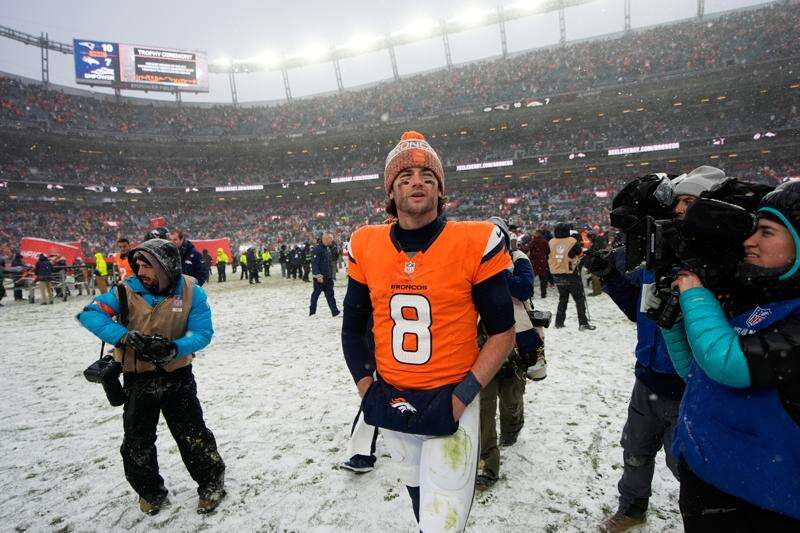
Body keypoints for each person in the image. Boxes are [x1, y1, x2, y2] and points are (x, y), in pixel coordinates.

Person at [341, 131, 515, 532]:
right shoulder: (366, 244)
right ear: (391, 192)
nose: (416, 182)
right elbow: (352, 331)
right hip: (392, 397)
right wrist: (368, 390)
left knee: (442, 523)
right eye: (405, 177)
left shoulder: (472, 241)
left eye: (427, 176)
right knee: (421, 502)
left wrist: (461, 397)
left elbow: (502, 332)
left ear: (440, 190)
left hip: (450, 397)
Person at [588, 166, 727, 532]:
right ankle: (632, 508)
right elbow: (640, 312)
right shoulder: (656, 254)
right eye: (678, 202)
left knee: (686, 465)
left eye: (689, 202)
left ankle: (703, 519)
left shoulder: (712, 264)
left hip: (689, 384)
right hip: (647, 378)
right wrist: (611, 276)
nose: (679, 211)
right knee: (635, 450)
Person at [661, 180, 800, 530]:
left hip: (765, 501)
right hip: (708, 478)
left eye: (766, 232)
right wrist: (671, 324)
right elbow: (696, 372)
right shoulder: (757, 295)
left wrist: (696, 297)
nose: (749, 242)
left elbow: (730, 365)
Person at [77, 238, 226, 515]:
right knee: (137, 443)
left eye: (147, 266)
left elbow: (202, 333)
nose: (141, 271)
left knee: (193, 437)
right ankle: (150, 492)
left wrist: (175, 348)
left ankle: (211, 484)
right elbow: (90, 314)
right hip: (137, 378)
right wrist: (124, 337)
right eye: (138, 265)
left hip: (177, 375)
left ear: (166, 266)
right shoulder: (125, 290)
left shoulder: (192, 291)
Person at [477, 218, 542, 490]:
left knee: (511, 398)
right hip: (482, 343)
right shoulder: (473, 262)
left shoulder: (518, 259)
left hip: (517, 340)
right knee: (484, 406)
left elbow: (524, 288)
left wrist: (496, 272)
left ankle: (512, 428)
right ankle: (488, 464)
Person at [549, 223, 595, 330]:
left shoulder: (551, 242)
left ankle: (559, 322)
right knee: (579, 299)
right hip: (571, 274)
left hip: (556, 274)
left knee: (563, 299)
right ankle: (583, 322)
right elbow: (580, 254)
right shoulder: (571, 241)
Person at [309, 233, 339, 317]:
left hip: (328, 278)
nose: (332, 241)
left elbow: (329, 263)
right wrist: (317, 275)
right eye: (330, 239)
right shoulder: (317, 249)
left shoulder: (327, 249)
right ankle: (312, 312)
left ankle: (335, 312)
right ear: (325, 239)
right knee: (315, 295)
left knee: (330, 296)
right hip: (320, 278)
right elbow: (315, 263)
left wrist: (330, 276)